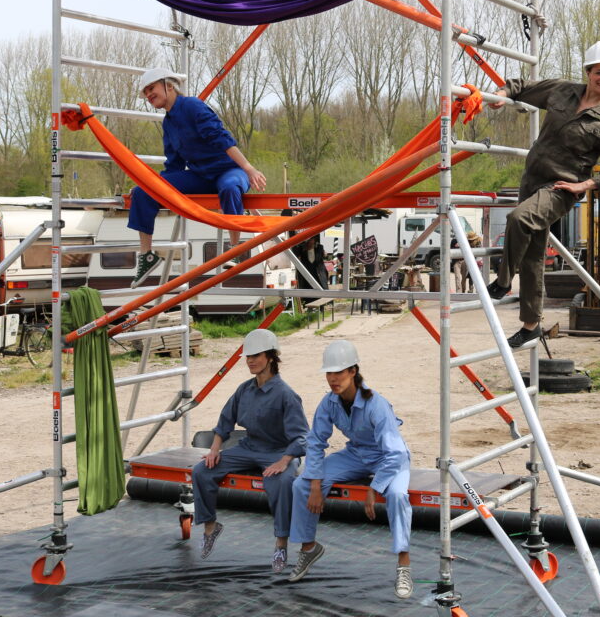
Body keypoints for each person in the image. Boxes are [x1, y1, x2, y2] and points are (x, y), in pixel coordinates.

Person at [487, 41, 600, 348]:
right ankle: (530, 325)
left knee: (519, 219)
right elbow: (523, 87)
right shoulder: (562, 91)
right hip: (531, 179)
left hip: (560, 188)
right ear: (588, 72)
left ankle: (501, 283)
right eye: (599, 72)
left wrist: (583, 186)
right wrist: (501, 95)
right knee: (533, 253)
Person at [288, 340, 414, 599]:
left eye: (339, 372)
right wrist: (314, 483)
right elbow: (315, 441)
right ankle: (309, 548)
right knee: (300, 484)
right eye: (329, 373)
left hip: (389, 460)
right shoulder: (329, 402)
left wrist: (374, 487)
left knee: (398, 496)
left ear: (353, 372)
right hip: (357, 454)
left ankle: (404, 565)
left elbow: (396, 452)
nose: (333, 379)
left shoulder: (376, 404)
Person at [128, 67, 268, 286]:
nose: (148, 95)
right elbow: (173, 163)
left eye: (151, 88)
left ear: (169, 86)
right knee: (143, 190)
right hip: (200, 176)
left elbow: (222, 139)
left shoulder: (192, 106)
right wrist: (154, 186)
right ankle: (146, 255)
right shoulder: (168, 122)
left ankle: (234, 248)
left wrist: (248, 168)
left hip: (228, 170)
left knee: (230, 187)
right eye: (145, 92)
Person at [191, 328, 308, 572]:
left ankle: (281, 543)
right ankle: (211, 527)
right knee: (202, 470)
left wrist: (284, 461)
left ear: (271, 357)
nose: (251, 361)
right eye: (248, 356)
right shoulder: (244, 389)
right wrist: (214, 450)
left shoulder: (286, 395)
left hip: (279, 451)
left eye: (256, 355)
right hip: (249, 446)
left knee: (282, 483)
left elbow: (302, 437)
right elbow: (224, 423)